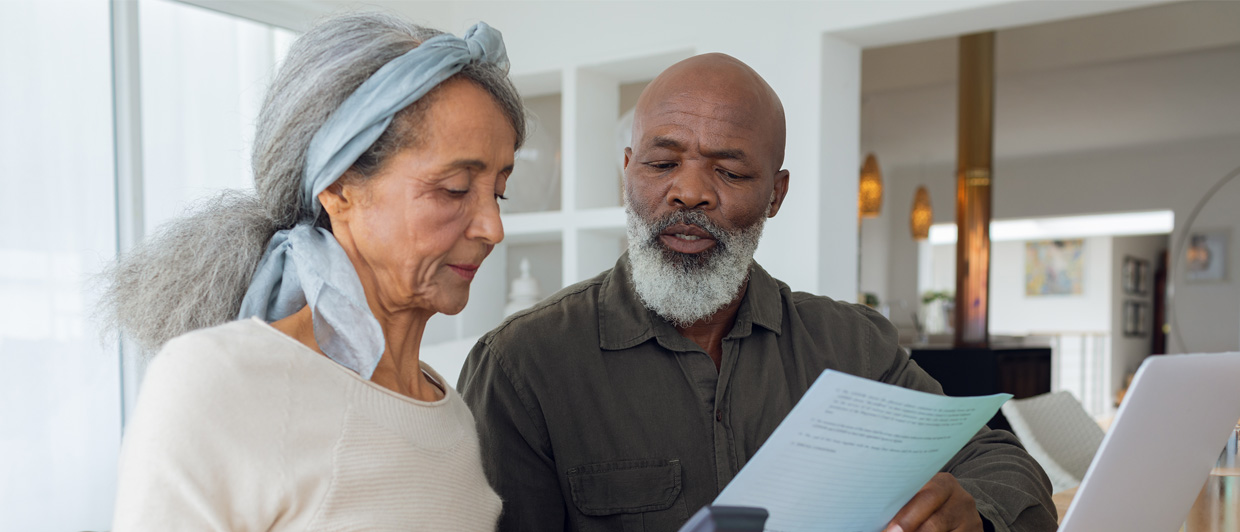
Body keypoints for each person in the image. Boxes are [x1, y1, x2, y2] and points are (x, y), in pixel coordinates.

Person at [458, 53, 1057, 532]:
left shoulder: (851, 345)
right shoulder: (523, 366)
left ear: (776, 193)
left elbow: (1006, 465)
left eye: (731, 172)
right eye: (662, 163)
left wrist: (971, 512)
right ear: (628, 170)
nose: (689, 192)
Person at [101, 12, 525, 530]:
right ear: (340, 188)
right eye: (456, 188)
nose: (492, 227)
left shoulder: (453, 417)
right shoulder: (222, 384)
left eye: (499, 191)